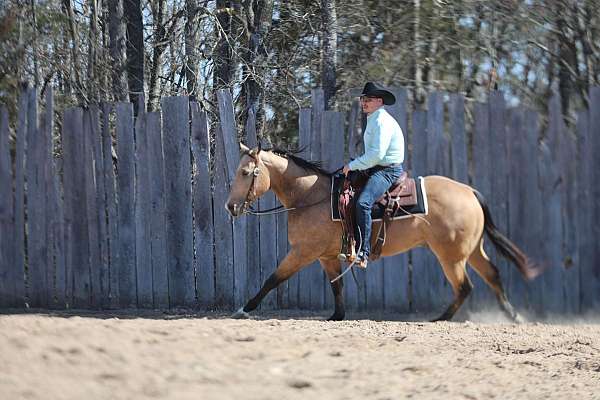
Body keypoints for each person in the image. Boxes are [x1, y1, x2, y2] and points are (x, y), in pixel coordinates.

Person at [342, 82, 405, 268]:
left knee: (363, 202)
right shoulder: (374, 118)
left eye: (367, 99)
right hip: (378, 167)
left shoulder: (381, 121)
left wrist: (352, 165)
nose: (363, 103)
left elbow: (376, 155)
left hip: (387, 171)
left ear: (379, 101)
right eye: (362, 99)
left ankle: (363, 252)